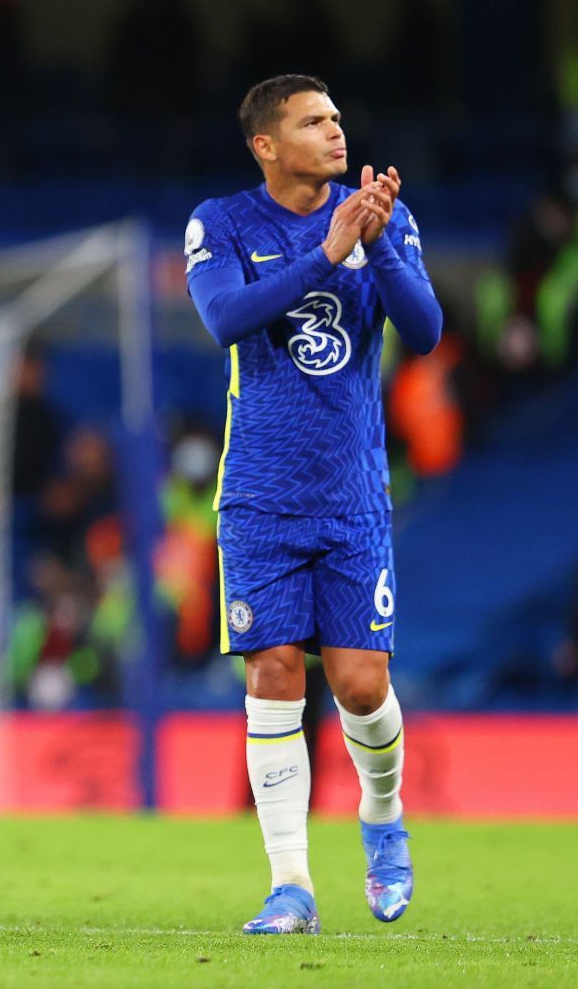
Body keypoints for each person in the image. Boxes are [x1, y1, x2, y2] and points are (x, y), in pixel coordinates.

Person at [184, 74, 440, 935]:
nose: (336, 133)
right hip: (259, 494)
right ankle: (290, 885)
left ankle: (382, 819)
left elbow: (429, 331)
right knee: (273, 675)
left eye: (336, 119)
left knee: (364, 688)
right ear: (267, 144)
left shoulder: (380, 216)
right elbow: (226, 317)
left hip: (354, 495)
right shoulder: (220, 222)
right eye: (314, 122)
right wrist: (327, 253)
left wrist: (380, 245)